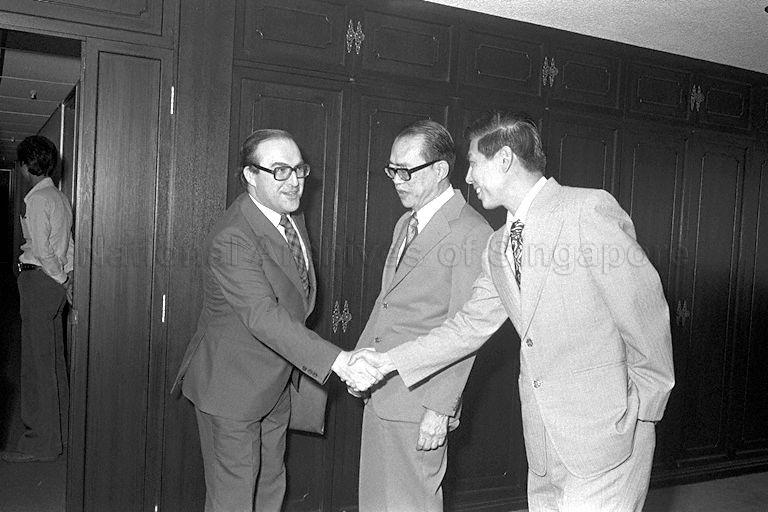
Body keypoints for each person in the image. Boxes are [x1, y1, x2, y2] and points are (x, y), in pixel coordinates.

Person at [351, 111, 675, 512]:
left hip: (609, 436)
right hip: (541, 444)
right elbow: (466, 328)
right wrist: (387, 363)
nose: (467, 178)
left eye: (473, 163)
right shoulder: (498, 247)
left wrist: (643, 414)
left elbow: (646, 313)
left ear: (504, 160)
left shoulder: (586, 211)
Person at [171, 129, 381, 512]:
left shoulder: (290, 217)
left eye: (299, 169)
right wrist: (340, 360)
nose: (295, 181)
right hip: (231, 389)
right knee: (233, 500)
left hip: (275, 384)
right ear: (250, 175)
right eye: (280, 171)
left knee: (270, 487)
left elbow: (296, 295)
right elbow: (264, 316)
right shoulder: (233, 237)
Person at [353, 120, 491, 511]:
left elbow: (465, 330)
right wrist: (361, 363)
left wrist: (439, 409)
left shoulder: (470, 232)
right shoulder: (406, 222)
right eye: (392, 169)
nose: (397, 180)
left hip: (420, 401)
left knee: (412, 504)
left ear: (440, 170)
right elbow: (387, 302)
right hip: (382, 393)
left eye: (406, 171)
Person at [1, 135, 73, 463]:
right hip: (54, 286)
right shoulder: (59, 197)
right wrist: (67, 281)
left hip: (40, 283)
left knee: (35, 366)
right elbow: (67, 245)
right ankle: (61, 434)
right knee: (54, 362)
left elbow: (43, 250)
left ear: (28, 165)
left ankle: (39, 443)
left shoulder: (36, 199)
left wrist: (56, 277)